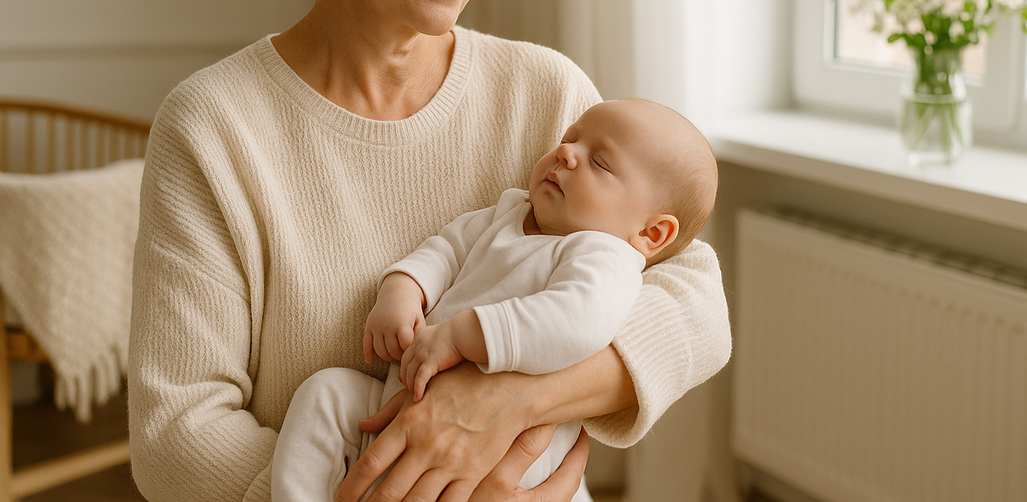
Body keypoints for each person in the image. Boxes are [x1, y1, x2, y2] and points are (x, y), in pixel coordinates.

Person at [127, 0, 732, 502]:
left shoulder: (547, 97)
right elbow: (178, 435)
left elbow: (693, 300)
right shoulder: (214, 129)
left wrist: (516, 401)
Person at [272, 99, 719, 502]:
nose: (567, 153)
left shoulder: (606, 255)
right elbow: (445, 250)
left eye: (599, 162)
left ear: (650, 233)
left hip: (506, 452)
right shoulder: (509, 212)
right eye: (569, 139)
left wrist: (465, 335)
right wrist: (403, 290)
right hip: (398, 404)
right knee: (325, 392)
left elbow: (579, 320)